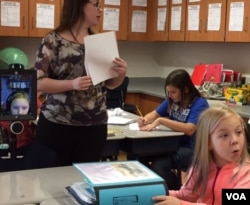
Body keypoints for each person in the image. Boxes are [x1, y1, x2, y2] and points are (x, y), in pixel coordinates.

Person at [34, 0, 127, 166]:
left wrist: (121, 72)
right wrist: (72, 84)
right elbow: (39, 82)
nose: (100, 9)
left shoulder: (100, 41)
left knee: (84, 183)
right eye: (96, 4)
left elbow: (110, 84)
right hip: (58, 124)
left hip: (94, 126)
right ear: (79, 5)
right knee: (53, 183)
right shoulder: (53, 40)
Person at [152, 106, 250, 205]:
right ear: (208, 142)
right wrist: (153, 195)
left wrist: (180, 204)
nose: (235, 140)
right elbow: (186, 195)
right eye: (225, 135)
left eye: (239, 132)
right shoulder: (200, 169)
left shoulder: (246, 174)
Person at [137, 69, 209, 189]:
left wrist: (162, 121)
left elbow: (190, 129)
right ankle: (148, 190)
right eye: (169, 92)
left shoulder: (199, 103)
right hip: (171, 144)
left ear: (186, 89)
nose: (170, 95)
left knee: (159, 165)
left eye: (173, 92)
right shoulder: (172, 100)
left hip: (191, 149)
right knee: (139, 156)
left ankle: (174, 193)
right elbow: (155, 114)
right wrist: (144, 119)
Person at [0, 91, 59, 172]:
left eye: (24, 108)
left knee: (49, 155)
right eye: (15, 108)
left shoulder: (31, 104)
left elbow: (42, 112)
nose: (20, 112)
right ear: (9, 107)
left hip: (27, 151)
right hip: (5, 150)